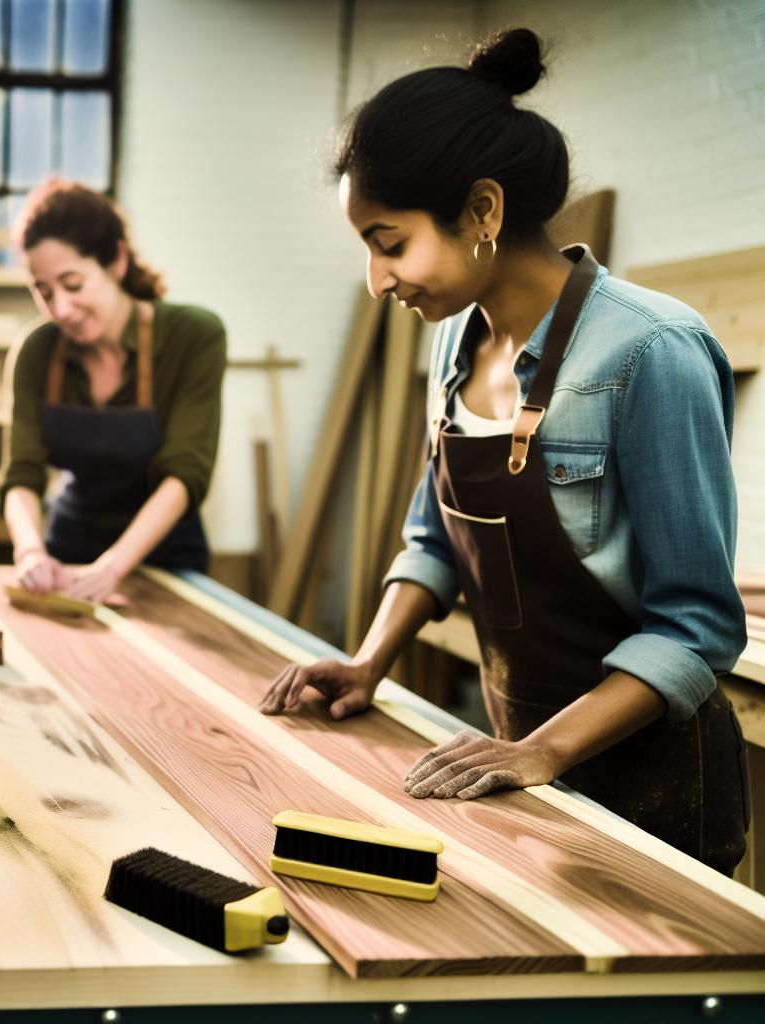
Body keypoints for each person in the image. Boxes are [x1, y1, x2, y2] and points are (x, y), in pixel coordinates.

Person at [258, 29, 748, 873]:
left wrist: (547, 751)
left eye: (389, 242)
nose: (377, 282)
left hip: (652, 776)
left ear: (482, 211)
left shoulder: (649, 352)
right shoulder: (454, 345)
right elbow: (433, 536)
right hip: (522, 756)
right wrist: (369, 663)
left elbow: (697, 628)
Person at [0, 179, 227, 606]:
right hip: (67, 554)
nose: (60, 309)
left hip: (166, 560)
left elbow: (186, 472)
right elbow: (21, 475)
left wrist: (115, 567)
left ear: (116, 261)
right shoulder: (37, 351)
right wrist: (30, 550)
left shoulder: (193, 336)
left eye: (73, 284)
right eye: (43, 291)